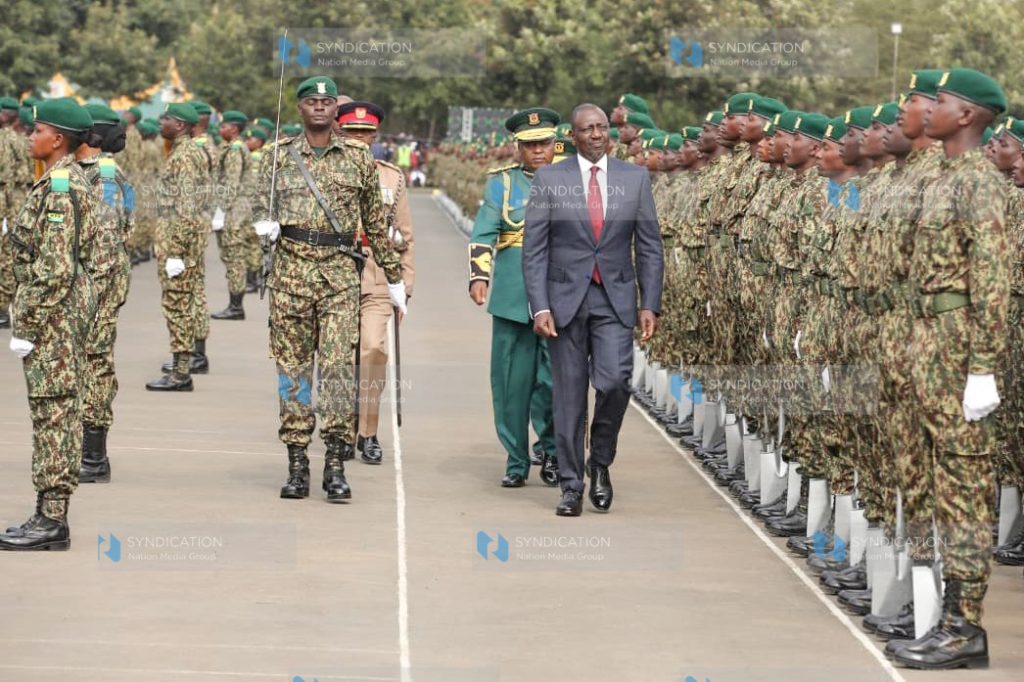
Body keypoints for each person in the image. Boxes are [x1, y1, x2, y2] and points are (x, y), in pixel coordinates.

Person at [888, 67, 1009, 671]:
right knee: (925, 478)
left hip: (958, 344)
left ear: (966, 115)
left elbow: (992, 282)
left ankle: (966, 628)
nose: (927, 107)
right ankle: (933, 611)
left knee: (963, 488)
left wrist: (983, 368)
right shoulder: (942, 175)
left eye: (939, 99)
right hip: (924, 341)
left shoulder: (980, 183)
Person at [253, 76, 407, 503]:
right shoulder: (276, 157)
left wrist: (393, 278)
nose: (319, 107)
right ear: (299, 108)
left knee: (339, 372)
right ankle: (297, 461)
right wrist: (258, 230)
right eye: (311, 101)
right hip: (289, 277)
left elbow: (375, 223)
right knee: (293, 372)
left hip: (340, 277)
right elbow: (252, 207)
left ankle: (335, 463)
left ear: (334, 110)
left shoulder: (358, 157)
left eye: (325, 101)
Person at [522, 103, 663, 516]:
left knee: (616, 382)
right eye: (588, 129)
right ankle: (571, 485)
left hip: (614, 298)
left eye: (603, 127)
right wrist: (539, 307)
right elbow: (535, 249)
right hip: (563, 302)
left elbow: (650, 245)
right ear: (574, 135)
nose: (598, 134)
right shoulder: (551, 179)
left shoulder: (634, 179)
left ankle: (599, 462)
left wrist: (650, 302)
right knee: (568, 398)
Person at [0, 98, 98, 551]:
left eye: (36, 130)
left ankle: (51, 520)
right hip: (59, 314)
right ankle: (48, 512)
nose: (29, 136)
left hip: (54, 318)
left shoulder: (59, 188)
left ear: (57, 139)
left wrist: (28, 323)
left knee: (54, 414)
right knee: (53, 412)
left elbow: (55, 268)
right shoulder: (58, 181)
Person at [469, 107, 561, 488]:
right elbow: (483, 232)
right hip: (511, 291)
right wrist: (479, 277)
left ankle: (555, 453)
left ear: (555, 145)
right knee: (510, 382)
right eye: (529, 146)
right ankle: (516, 459)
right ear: (518, 149)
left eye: (543, 144)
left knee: (554, 380)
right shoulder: (502, 184)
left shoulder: (572, 180)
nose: (537, 151)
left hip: (558, 291)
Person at [335, 100, 416, 465]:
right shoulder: (328, 170)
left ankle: (367, 431)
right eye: (352, 133)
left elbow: (406, 237)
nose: (360, 140)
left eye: (366, 133)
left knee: (371, 350)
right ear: (340, 132)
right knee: (339, 356)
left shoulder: (392, 177)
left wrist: (405, 288)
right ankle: (341, 430)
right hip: (334, 271)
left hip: (377, 274)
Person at [75, 104, 134, 483]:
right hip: (91, 282)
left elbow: (107, 241)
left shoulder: (105, 175)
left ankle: (94, 457)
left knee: (95, 362)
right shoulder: (85, 173)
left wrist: (89, 290)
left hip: (96, 284)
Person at [146, 103, 208, 392]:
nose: (162, 122)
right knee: (182, 305)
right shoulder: (186, 151)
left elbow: (186, 205)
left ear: (180, 125)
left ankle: (181, 373)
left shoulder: (185, 155)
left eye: (167, 118)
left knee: (177, 306)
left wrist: (176, 253)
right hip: (180, 240)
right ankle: (181, 364)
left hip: (178, 241)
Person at [210, 110, 251, 320]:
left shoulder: (235, 149)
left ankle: (236, 307)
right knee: (232, 257)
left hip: (234, 209)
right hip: (234, 207)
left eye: (224, 126)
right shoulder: (232, 146)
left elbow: (232, 182)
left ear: (234, 129)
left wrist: (221, 210)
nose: (220, 129)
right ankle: (234, 305)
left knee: (234, 257)